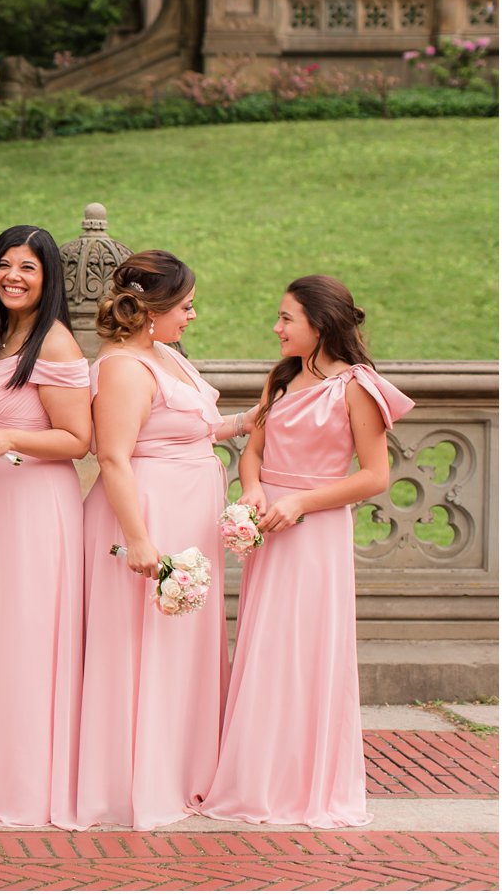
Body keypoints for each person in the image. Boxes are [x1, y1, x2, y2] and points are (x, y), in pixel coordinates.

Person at [198, 276, 411, 828]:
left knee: (305, 652)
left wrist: (302, 504)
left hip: (314, 535)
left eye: (287, 318)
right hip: (269, 528)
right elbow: (254, 451)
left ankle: (303, 785)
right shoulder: (283, 376)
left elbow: (375, 476)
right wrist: (253, 490)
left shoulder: (356, 388)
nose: (277, 327)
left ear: (319, 324)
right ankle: (255, 780)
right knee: (264, 649)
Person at [73, 250, 251, 830]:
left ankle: (181, 769)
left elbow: (192, 427)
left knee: (179, 647)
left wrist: (250, 422)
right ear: (152, 310)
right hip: (146, 516)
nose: (192, 316)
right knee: (139, 643)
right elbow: (114, 457)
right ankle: (134, 781)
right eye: (186, 306)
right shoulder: (124, 367)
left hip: (188, 516)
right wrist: (140, 540)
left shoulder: (164, 355)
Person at [0, 226, 91, 829]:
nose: (13, 276)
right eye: (5, 265)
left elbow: (79, 440)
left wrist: (9, 436)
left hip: (36, 506)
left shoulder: (55, 344)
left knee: (30, 636)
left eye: (28, 268)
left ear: (48, 279)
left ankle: (30, 778)